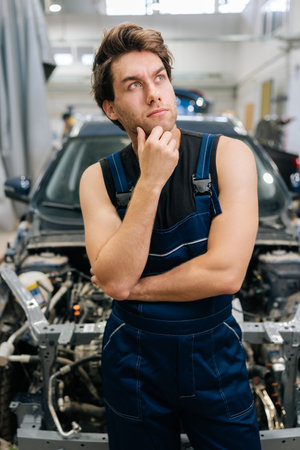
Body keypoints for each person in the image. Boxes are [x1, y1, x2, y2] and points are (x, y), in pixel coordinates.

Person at [79, 23, 261, 450]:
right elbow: (115, 279)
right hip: (133, 359)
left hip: (215, 352)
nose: (154, 92)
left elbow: (226, 274)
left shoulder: (228, 157)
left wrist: (134, 289)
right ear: (111, 106)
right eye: (134, 85)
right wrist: (150, 181)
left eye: (160, 77)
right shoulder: (98, 179)